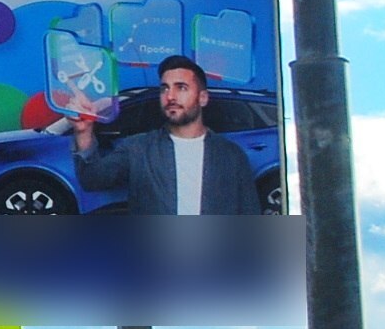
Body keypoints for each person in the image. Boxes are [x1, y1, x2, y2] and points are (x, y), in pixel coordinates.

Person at [69, 54, 258, 216]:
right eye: (165, 88)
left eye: (181, 87)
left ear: (202, 98)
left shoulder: (230, 155)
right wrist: (83, 132)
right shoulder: (139, 148)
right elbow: (92, 180)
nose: (170, 96)